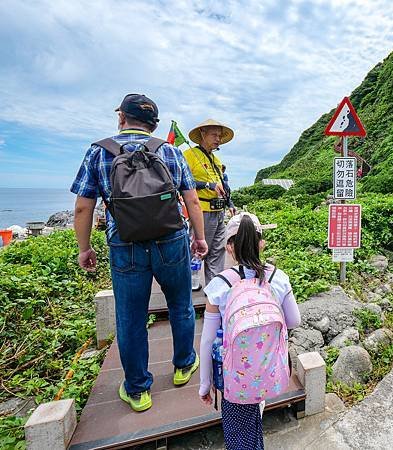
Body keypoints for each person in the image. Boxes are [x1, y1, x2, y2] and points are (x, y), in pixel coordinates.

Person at [71, 94, 209, 412]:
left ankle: (137, 389)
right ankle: (183, 366)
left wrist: (84, 248)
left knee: (131, 317)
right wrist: (199, 239)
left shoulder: (99, 151)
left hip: (125, 244)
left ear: (122, 118)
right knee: (180, 305)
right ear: (154, 124)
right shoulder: (171, 151)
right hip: (171, 241)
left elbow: (82, 207)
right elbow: (190, 201)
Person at [198, 213, 301, 449]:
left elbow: (207, 341)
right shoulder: (278, 277)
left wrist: (205, 384)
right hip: (268, 371)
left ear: (229, 247)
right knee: (255, 422)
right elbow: (294, 320)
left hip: (235, 378)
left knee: (239, 437)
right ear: (261, 243)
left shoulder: (220, 285)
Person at [184, 119, 235, 285]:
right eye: (214, 134)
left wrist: (231, 203)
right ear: (202, 134)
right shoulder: (189, 155)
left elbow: (223, 185)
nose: (218, 139)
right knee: (198, 250)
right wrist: (208, 185)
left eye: (220, 136)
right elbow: (183, 183)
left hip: (219, 211)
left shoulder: (217, 161)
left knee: (218, 251)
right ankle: (190, 283)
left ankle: (215, 287)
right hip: (202, 210)